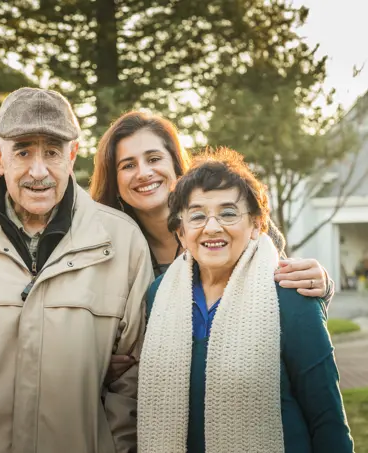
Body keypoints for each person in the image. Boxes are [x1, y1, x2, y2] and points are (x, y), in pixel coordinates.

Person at [0, 87, 153, 453]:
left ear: (72, 155)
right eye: (23, 151)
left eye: (52, 152)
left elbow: (134, 378)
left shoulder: (122, 242)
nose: (38, 171)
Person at [137, 148, 354, 453]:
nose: (213, 227)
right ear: (181, 232)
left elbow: (327, 419)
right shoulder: (160, 294)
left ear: (256, 224)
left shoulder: (290, 292)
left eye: (228, 213)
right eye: (197, 215)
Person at [89, 111, 336, 377]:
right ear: (114, 182)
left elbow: (281, 298)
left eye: (153, 159)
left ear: (175, 165)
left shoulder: (238, 229)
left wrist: (321, 284)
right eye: (128, 165)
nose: (144, 173)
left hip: (245, 380)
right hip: (145, 397)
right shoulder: (107, 249)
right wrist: (96, 360)